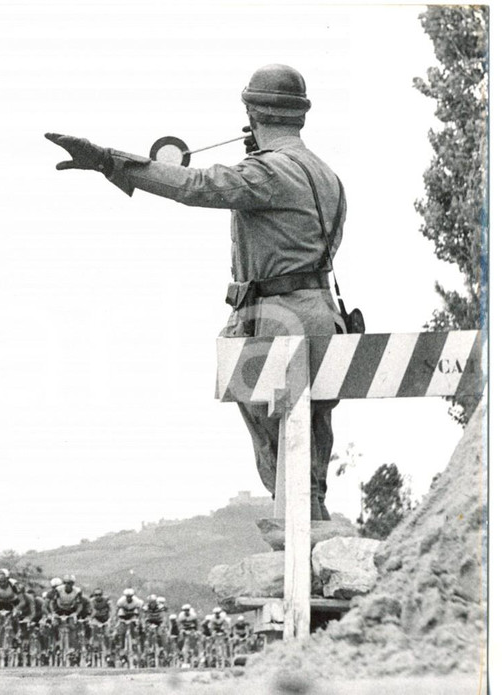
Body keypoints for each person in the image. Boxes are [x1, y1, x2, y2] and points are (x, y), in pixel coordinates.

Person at [46, 64, 345, 520]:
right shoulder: (326, 174)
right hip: (322, 311)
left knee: (281, 446)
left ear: (251, 111)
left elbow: (195, 186)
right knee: (311, 436)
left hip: (275, 316)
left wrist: (108, 160)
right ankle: (312, 533)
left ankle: (297, 538)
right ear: (300, 115)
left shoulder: (269, 172)